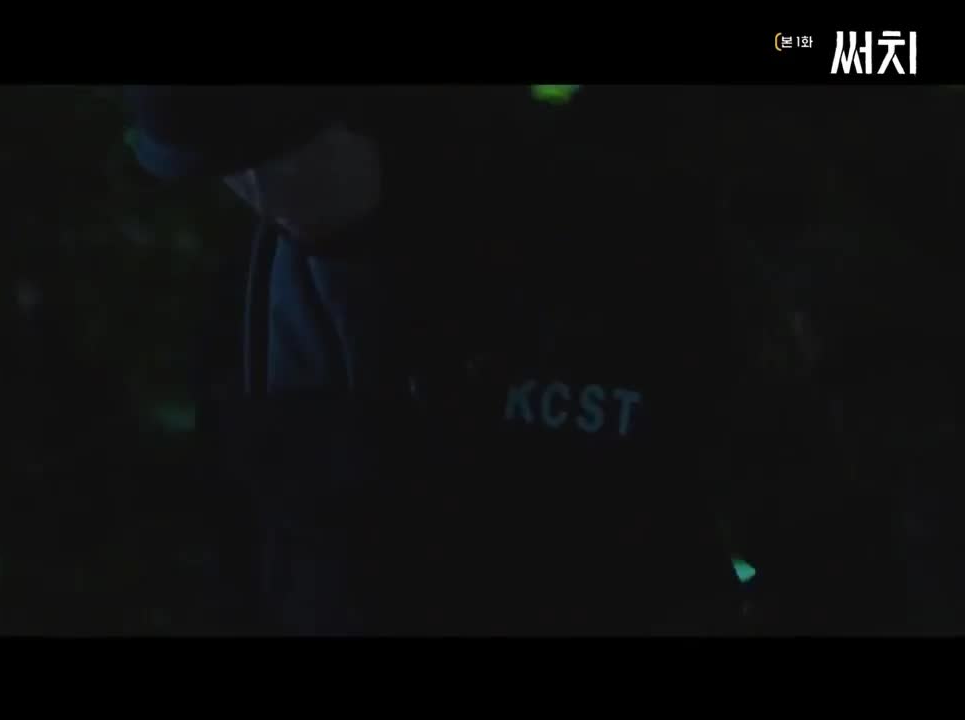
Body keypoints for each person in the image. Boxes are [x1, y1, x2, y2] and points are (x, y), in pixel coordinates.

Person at [125, 85, 895, 635]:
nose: (263, 192)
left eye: (281, 151)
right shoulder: (257, 305)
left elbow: (810, 527)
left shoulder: (622, 242)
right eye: (229, 169)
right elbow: (240, 554)